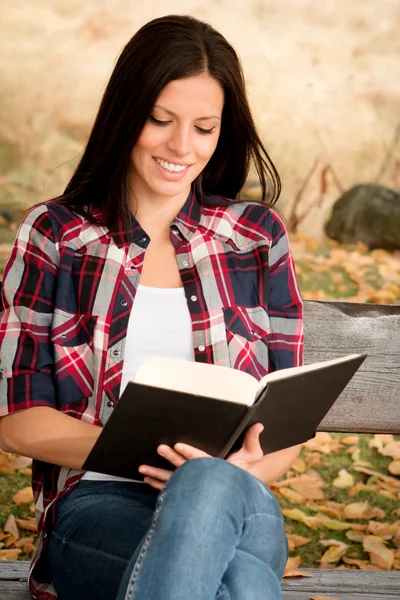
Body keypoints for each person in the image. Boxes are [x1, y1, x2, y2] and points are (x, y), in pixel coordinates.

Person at [0, 14, 304, 600]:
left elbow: (285, 422)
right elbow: (18, 422)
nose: (181, 147)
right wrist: (163, 459)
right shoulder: (56, 236)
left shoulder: (257, 237)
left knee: (210, 489)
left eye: (204, 127)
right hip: (99, 503)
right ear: (124, 114)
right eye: (160, 120)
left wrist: (228, 474)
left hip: (242, 497)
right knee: (239, 582)